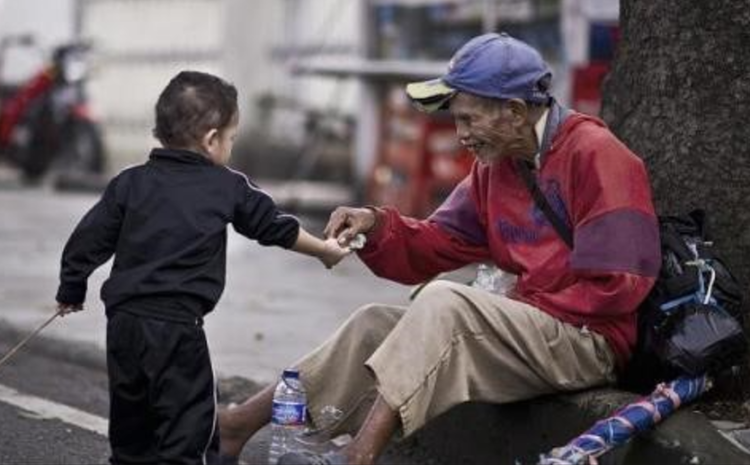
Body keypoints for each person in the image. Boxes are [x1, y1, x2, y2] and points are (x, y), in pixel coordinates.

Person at [218, 33, 661, 465]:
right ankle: (238, 425)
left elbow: (620, 282)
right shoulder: (497, 167)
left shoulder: (596, 154)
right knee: (373, 323)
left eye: (469, 119)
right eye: (457, 119)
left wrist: (513, 302)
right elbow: (437, 242)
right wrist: (376, 225)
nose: (461, 134)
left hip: (589, 342)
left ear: (514, 110)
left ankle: (359, 456)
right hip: (534, 331)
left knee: (445, 302)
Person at [54, 70, 351, 465]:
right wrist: (325, 251)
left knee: (132, 426)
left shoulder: (129, 183)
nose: (229, 146)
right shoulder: (227, 186)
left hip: (123, 326)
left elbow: (86, 241)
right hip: (178, 332)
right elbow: (274, 227)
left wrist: (71, 290)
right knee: (189, 427)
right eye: (230, 138)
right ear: (212, 140)